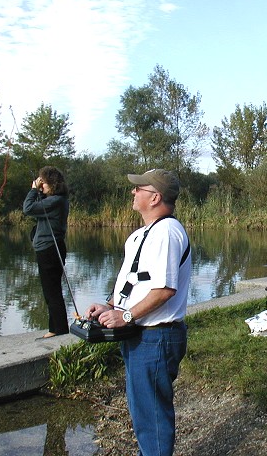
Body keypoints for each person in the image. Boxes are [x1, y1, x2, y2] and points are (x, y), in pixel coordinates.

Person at [85, 169, 190, 456]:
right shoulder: (141, 235)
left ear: (155, 197)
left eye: (138, 188)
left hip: (156, 338)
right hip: (140, 336)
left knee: (152, 417)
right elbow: (138, 283)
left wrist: (126, 316)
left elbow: (165, 289)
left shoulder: (167, 232)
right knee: (143, 411)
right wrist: (109, 307)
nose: (133, 192)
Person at [23, 166, 70, 339]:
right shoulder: (56, 200)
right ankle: (56, 328)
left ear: (51, 184)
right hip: (50, 248)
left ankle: (58, 330)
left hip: (50, 250)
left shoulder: (56, 200)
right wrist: (39, 191)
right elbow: (37, 206)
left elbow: (28, 208)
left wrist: (33, 190)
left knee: (52, 291)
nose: (42, 185)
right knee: (51, 291)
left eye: (44, 182)